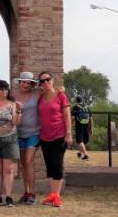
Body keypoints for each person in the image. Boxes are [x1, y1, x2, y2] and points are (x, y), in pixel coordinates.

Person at [38, 71, 72, 207]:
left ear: (53, 80)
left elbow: (67, 116)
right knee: (50, 167)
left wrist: (69, 133)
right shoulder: (40, 98)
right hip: (44, 137)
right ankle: (52, 195)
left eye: (47, 79)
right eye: (42, 81)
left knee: (57, 165)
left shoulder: (61, 96)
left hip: (59, 135)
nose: (45, 83)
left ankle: (57, 196)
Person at [13, 71, 41, 204]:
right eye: (23, 82)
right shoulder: (13, 96)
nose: (25, 84)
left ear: (32, 84)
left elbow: (51, 93)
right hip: (18, 133)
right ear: (19, 83)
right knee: (23, 164)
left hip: (34, 133)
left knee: (29, 161)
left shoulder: (36, 95)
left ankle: (32, 193)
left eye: (28, 82)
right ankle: (26, 192)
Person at [71, 95, 93, 161]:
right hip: (86, 126)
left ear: (76, 100)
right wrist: (91, 128)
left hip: (79, 126)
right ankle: (80, 153)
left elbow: (72, 118)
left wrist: (70, 127)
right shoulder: (87, 107)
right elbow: (91, 119)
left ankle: (85, 155)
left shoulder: (75, 107)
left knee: (80, 141)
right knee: (84, 141)